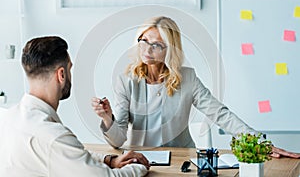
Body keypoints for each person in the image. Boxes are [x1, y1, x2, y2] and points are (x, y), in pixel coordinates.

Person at [92, 16, 300, 158]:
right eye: (143, 40)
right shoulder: (126, 80)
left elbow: (220, 114)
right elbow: (118, 141)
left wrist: (260, 144)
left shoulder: (187, 78)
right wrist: (107, 118)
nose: (147, 49)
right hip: (140, 160)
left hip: (180, 159)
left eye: (156, 45)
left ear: (169, 49)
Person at [0, 36, 150, 177]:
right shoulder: (53, 136)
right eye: (70, 69)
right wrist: (141, 166)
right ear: (61, 75)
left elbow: (71, 154)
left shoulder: (8, 117)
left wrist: (109, 160)